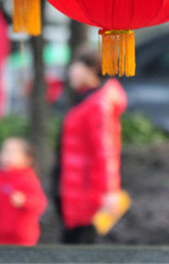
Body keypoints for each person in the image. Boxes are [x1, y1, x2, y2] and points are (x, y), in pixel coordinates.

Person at [53, 48, 127, 244]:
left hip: (87, 193)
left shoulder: (97, 104)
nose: (71, 73)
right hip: (76, 189)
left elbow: (105, 150)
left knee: (81, 248)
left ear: (91, 70)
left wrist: (110, 191)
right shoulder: (87, 99)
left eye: (76, 67)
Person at [0, 138, 47, 245]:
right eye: (4, 152)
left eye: (12, 152)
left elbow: (40, 203)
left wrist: (25, 201)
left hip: (22, 238)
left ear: (27, 159)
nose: (6, 156)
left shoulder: (27, 179)